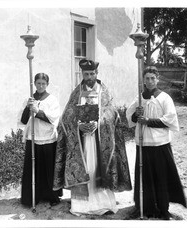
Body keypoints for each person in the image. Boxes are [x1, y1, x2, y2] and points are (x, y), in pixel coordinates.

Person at [53, 59, 132, 216]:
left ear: (97, 73)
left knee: (98, 168)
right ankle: (81, 206)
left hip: (99, 140)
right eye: (86, 74)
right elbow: (67, 117)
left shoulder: (104, 91)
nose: (89, 77)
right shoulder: (76, 93)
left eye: (92, 73)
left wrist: (99, 123)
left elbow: (112, 114)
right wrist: (78, 126)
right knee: (85, 167)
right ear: (82, 74)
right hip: (82, 141)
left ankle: (103, 203)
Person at [126, 66, 187, 220]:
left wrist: (148, 121)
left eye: (153, 78)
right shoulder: (139, 97)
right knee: (145, 176)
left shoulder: (165, 98)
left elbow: (170, 119)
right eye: (147, 78)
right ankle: (145, 207)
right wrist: (136, 115)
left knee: (161, 176)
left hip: (160, 143)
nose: (150, 81)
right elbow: (130, 117)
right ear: (143, 80)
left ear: (157, 79)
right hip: (143, 142)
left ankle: (163, 208)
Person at [18, 73, 62, 207]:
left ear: (47, 84)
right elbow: (23, 120)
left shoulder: (52, 99)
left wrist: (37, 111)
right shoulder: (29, 99)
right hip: (34, 137)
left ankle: (51, 196)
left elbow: (53, 119)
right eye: (38, 83)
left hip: (48, 138)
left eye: (43, 83)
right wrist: (28, 107)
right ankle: (33, 197)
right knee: (34, 169)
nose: (41, 86)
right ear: (34, 84)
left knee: (48, 168)